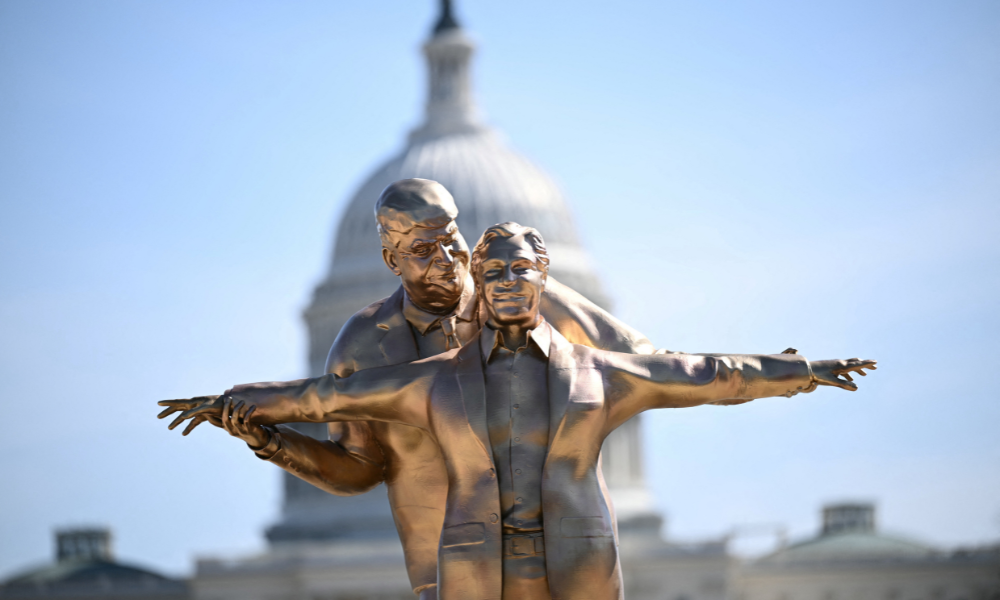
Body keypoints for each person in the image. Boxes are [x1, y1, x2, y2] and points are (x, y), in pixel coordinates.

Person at [161, 222, 876, 600]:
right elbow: (327, 397)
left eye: (520, 270)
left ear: (546, 281)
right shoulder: (433, 380)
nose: (505, 282)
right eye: (492, 270)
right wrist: (234, 406)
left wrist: (800, 371)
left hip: (578, 554)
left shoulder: (600, 372)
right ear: (475, 277)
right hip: (475, 560)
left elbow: (708, 373)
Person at [162, 179, 661, 600]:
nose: (447, 260)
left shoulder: (523, 295)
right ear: (390, 258)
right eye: (423, 251)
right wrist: (268, 440)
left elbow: (641, 362)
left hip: (561, 559)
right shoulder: (363, 342)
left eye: (452, 241)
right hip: (448, 573)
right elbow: (358, 470)